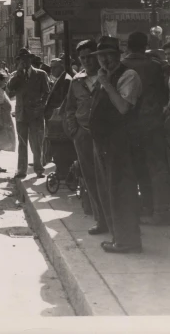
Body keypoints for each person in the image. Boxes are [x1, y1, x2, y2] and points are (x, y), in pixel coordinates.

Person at [88, 36, 143, 254]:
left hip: (121, 141)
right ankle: (118, 237)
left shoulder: (128, 75)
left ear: (118, 56)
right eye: (101, 56)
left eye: (109, 55)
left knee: (122, 191)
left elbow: (122, 108)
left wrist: (105, 84)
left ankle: (127, 241)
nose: (105, 61)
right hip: (105, 142)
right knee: (109, 191)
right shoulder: (106, 76)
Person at [122, 31, 170, 225]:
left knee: (135, 167)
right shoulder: (155, 67)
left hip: (128, 124)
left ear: (128, 45)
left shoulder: (122, 66)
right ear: (145, 46)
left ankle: (143, 206)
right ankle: (161, 211)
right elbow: (162, 93)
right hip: (152, 122)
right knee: (157, 167)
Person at [64, 40, 107, 236]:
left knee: (108, 177)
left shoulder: (107, 77)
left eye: (90, 56)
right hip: (83, 134)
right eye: (82, 58)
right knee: (89, 177)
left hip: (106, 135)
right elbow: (69, 109)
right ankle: (101, 220)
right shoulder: (76, 81)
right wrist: (75, 131)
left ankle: (114, 218)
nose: (87, 61)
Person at [8, 48, 51, 179]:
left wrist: (41, 106)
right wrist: (18, 75)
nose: (24, 62)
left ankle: (39, 168)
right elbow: (10, 91)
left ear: (30, 60)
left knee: (37, 142)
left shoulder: (41, 74)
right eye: (21, 60)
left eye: (26, 59)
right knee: (22, 143)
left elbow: (47, 93)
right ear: (18, 61)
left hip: (36, 114)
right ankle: (22, 170)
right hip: (21, 114)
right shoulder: (15, 75)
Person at [42, 58, 74, 167]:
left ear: (62, 67)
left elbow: (63, 100)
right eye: (51, 68)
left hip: (59, 119)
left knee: (60, 149)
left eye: (54, 67)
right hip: (54, 118)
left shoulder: (66, 79)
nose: (52, 70)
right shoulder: (60, 78)